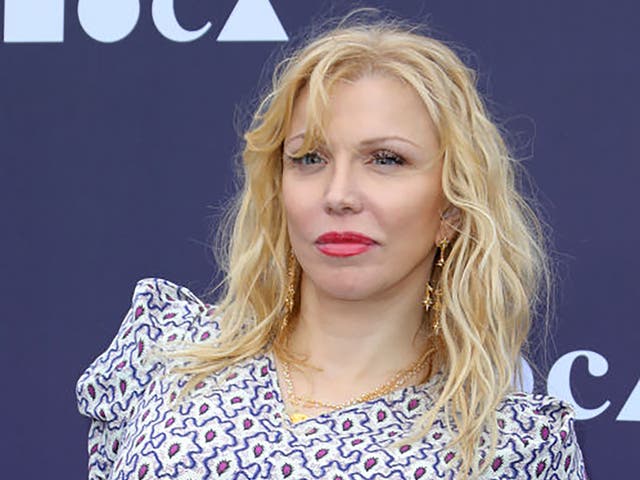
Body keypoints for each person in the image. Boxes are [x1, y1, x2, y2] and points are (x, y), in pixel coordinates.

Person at [76, 14, 588, 480]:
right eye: (310, 159)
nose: (339, 194)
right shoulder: (171, 356)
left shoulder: (511, 446)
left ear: (452, 207)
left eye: (385, 159)